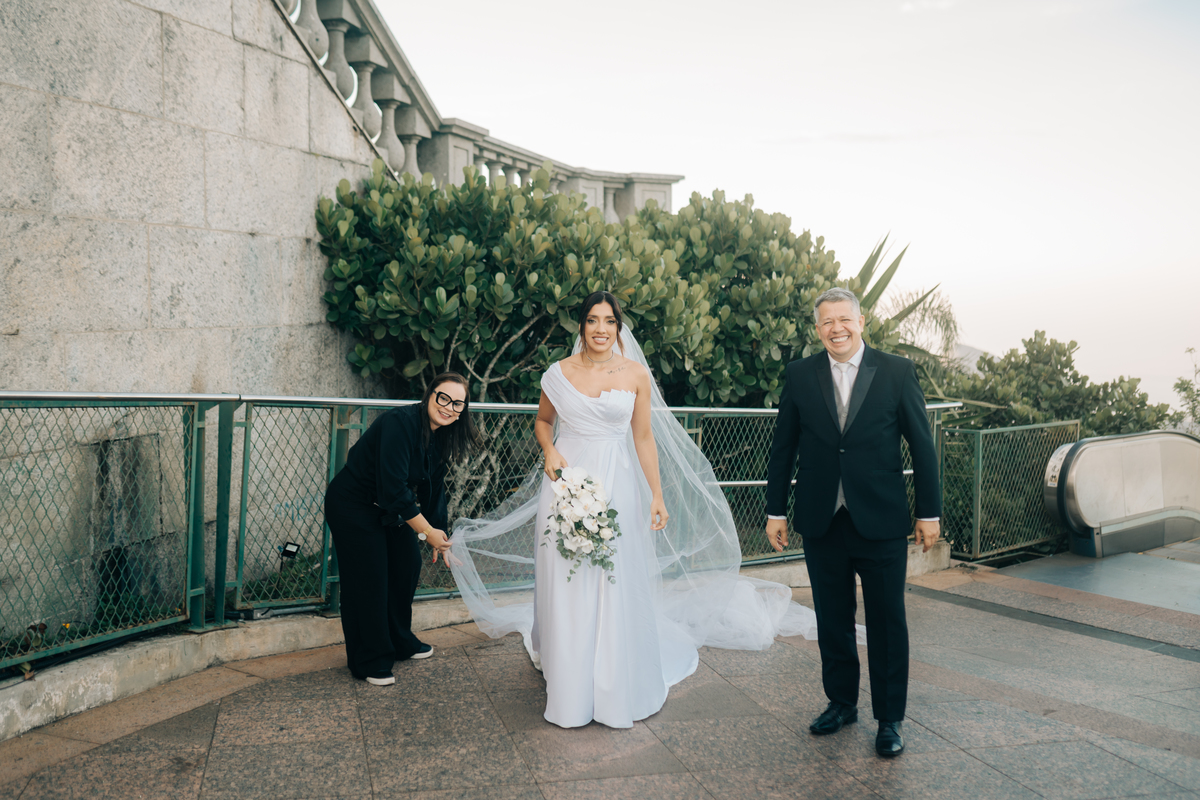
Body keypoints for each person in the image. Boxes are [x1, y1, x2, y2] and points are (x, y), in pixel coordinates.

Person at [448, 291, 823, 729]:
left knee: (612, 577)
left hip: (617, 485)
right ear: (581, 326)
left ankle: (611, 678)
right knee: (563, 574)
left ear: (619, 327)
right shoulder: (557, 373)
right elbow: (543, 422)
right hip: (565, 483)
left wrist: (657, 494)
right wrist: (549, 450)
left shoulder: (636, 374)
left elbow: (643, 437)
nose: (601, 329)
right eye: (592, 320)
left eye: (609, 320)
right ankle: (567, 672)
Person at [765, 286, 941, 757]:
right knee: (833, 620)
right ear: (817, 328)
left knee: (887, 623)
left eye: (844, 320)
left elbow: (922, 448)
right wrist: (775, 510)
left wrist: (929, 513)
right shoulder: (800, 375)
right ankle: (841, 703)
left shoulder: (897, 372)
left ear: (862, 322)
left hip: (880, 520)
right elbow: (783, 446)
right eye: (826, 322)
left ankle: (889, 719)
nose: (836, 329)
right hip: (823, 521)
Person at [325, 373, 482, 686]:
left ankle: (399, 641)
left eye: (458, 403)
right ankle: (369, 659)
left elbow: (433, 488)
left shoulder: (442, 435)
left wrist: (438, 534)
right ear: (429, 395)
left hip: (390, 509)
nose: (449, 407)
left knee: (407, 566)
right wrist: (425, 531)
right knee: (369, 580)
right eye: (443, 398)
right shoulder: (401, 422)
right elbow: (394, 489)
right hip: (355, 505)